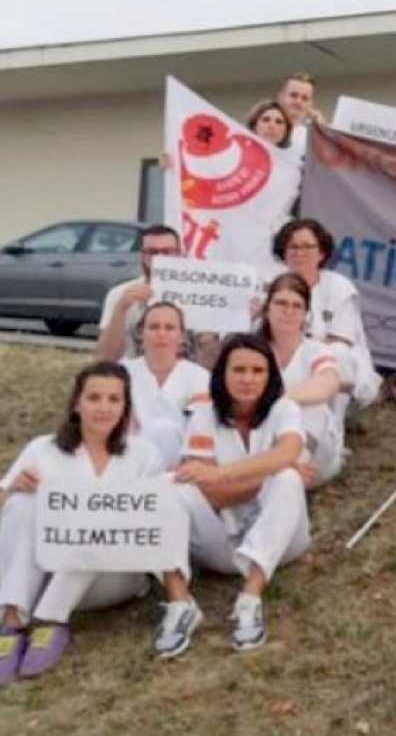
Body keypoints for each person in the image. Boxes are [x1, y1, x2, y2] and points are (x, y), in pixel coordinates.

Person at [0, 362, 174, 682]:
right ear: (77, 403)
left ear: (125, 407)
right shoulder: (43, 449)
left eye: (114, 399)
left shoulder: (144, 454)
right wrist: (12, 490)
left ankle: (50, 621)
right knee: (23, 505)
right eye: (94, 397)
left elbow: (155, 520)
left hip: (112, 576)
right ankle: (12, 619)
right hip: (47, 569)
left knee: (95, 524)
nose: (103, 408)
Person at [164, 333, 310, 653]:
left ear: (270, 376)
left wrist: (221, 474)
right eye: (239, 370)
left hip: (283, 544)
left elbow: (287, 453)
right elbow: (204, 491)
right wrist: (262, 474)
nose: (248, 379)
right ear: (222, 373)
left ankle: (250, 598)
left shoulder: (284, 409)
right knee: (168, 487)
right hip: (223, 546)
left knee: (286, 478)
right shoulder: (204, 414)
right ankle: (180, 604)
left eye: (258, 371)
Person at [272, 218, 382, 411]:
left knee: (336, 355)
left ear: (321, 253)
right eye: (293, 247)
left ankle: (330, 434)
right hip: (282, 358)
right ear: (284, 252)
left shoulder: (339, 287)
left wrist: (299, 354)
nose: (299, 253)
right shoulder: (271, 285)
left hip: (329, 365)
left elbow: (341, 340)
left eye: (307, 247)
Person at [259, 273, 344, 485]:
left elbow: (327, 384)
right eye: (281, 303)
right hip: (261, 442)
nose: (288, 311)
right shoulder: (250, 348)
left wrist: (279, 401)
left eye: (297, 306)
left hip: (312, 456)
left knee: (309, 407)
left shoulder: (315, 350)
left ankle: (287, 471)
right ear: (267, 307)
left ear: (306, 313)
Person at [120, 302, 210, 469]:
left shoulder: (199, 377)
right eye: (154, 327)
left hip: (181, 463)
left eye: (169, 328)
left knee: (164, 430)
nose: (161, 334)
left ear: (181, 335)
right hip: (130, 459)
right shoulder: (122, 372)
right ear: (141, 332)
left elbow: (200, 424)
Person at [95, 224, 185, 361]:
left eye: (167, 252)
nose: (159, 258)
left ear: (180, 254)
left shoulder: (200, 296)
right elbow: (106, 357)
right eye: (152, 252)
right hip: (134, 377)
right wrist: (121, 308)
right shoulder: (121, 294)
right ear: (142, 255)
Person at [277, 71, 325, 158]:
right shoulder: (263, 130)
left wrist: (322, 133)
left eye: (305, 98)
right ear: (280, 97)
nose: (298, 102)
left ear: (311, 104)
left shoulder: (310, 138)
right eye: (293, 95)